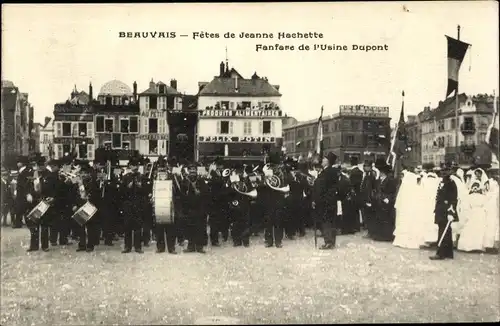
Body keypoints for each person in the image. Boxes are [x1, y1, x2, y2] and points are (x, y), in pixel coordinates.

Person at [430, 162, 458, 260]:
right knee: (446, 230)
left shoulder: (451, 183)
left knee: (444, 230)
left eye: (445, 171)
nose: (443, 173)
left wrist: (451, 212)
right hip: (440, 209)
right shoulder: (442, 182)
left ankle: (440, 253)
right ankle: (448, 253)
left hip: (446, 210)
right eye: (442, 171)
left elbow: (453, 199)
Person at [312, 152, 340, 250]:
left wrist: (316, 200)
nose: (322, 161)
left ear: (328, 162)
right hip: (331, 200)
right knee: (331, 221)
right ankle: (331, 241)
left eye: (324, 159)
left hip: (325, 201)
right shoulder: (333, 171)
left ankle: (328, 242)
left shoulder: (326, 172)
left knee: (326, 221)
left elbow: (321, 188)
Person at [121, 156, 145, 254]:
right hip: (128, 204)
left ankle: (138, 246)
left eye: (136, 165)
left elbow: (145, 192)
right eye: (133, 165)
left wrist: (140, 187)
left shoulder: (141, 177)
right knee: (127, 226)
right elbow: (121, 192)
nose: (135, 167)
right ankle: (127, 246)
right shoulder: (126, 177)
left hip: (138, 204)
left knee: (138, 226)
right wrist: (127, 187)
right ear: (130, 166)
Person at [371, 158, 398, 241]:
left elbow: (392, 192)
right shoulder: (379, 180)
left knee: (386, 219)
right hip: (379, 201)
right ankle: (380, 235)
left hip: (386, 202)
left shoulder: (390, 180)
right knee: (379, 218)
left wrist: (388, 198)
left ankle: (387, 236)